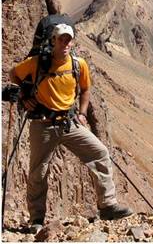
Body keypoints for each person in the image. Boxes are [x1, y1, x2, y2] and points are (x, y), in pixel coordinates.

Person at [9, 23, 133, 233]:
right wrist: (25, 94)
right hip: (43, 125)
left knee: (100, 153)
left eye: (69, 39)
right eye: (61, 39)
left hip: (69, 123)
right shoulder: (37, 63)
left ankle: (108, 206)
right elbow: (14, 74)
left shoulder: (78, 64)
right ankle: (36, 220)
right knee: (38, 172)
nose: (65, 43)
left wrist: (83, 113)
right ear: (53, 41)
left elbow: (85, 89)